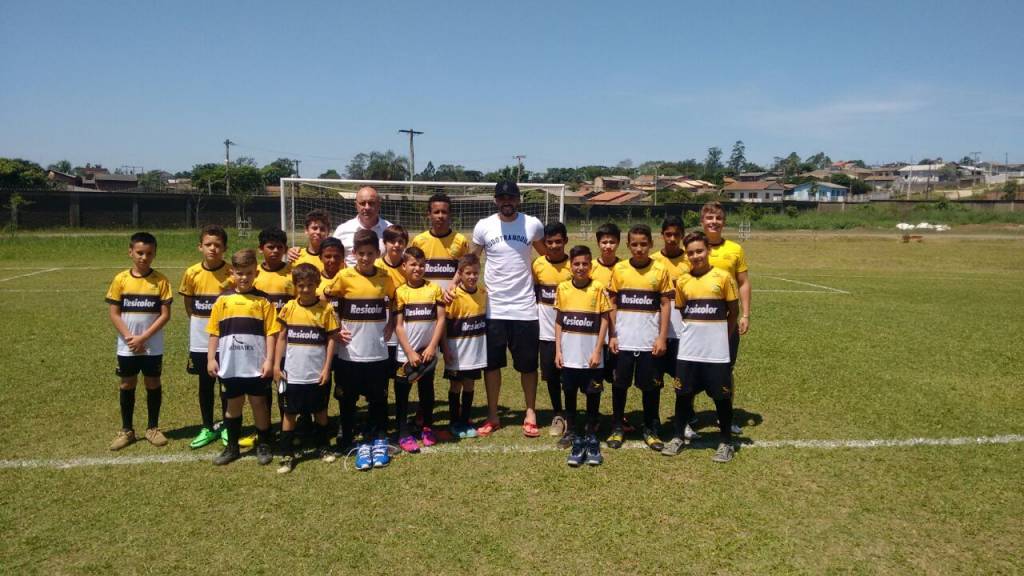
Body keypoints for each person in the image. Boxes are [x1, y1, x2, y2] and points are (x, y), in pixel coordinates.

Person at [458, 181, 547, 437]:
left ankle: (530, 412)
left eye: (511, 197)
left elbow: (545, 258)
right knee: (492, 365)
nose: (506, 201)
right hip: (493, 309)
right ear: (496, 200)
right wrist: (454, 284)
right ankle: (493, 415)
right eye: (502, 197)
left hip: (524, 308)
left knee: (528, 366)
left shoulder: (533, 224)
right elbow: (471, 260)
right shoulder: (484, 226)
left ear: (518, 199)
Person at [662, 231, 739, 463]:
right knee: (683, 394)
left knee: (721, 397)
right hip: (689, 351)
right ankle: (678, 436)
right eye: (691, 252)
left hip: (716, 352)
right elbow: (683, 311)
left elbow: (733, 312)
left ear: (708, 250)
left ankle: (726, 442)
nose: (696, 256)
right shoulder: (683, 281)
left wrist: (721, 339)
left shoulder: (723, 277)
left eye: (700, 251)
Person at [325, 229, 398, 471]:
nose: (365, 258)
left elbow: (395, 300)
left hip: (377, 351)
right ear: (354, 253)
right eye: (361, 253)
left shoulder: (385, 277)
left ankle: (378, 436)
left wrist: (391, 323)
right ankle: (347, 435)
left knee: (378, 398)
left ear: (378, 253)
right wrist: (335, 329)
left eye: (370, 253)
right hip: (349, 353)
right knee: (347, 399)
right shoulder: (344, 276)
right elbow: (326, 301)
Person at [206, 249, 281, 466]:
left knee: (259, 403)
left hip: (256, 364)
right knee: (233, 405)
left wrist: (269, 360)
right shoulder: (223, 300)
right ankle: (232, 447)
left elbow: (271, 333)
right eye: (240, 273)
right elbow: (214, 332)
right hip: (230, 364)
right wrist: (211, 358)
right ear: (232, 273)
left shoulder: (264, 301)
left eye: (248, 273)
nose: (244, 277)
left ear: (256, 272)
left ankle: (264, 444)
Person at [606, 224, 671, 452]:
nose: (639, 249)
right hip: (623, 341)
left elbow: (665, 304)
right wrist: (613, 334)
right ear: (628, 246)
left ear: (651, 244)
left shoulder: (660, 270)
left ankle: (651, 429)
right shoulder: (620, 269)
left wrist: (662, 337)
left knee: (651, 388)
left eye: (644, 244)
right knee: (619, 385)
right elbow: (612, 302)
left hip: (649, 342)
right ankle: (617, 426)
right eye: (634, 244)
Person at [106, 232, 173, 450]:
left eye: (149, 253)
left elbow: (165, 315)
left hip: (152, 345)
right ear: (131, 252)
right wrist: (131, 339)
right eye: (140, 253)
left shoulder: (161, 280)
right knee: (127, 383)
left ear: (154, 254)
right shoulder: (121, 279)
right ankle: (127, 430)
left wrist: (143, 338)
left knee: (153, 382)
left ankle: (153, 428)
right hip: (127, 345)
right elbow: (114, 313)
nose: (144, 257)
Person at [273, 263, 339, 473]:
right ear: (295, 286)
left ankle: (323, 447)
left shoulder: (326, 309)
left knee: (320, 411)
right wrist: (276, 365)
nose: (305, 289)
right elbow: (281, 337)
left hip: (316, 373)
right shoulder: (289, 308)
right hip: (293, 374)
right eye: (301, 285)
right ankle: (286, 454)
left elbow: (331, 339)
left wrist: (326, 368)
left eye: (310, 285)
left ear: (317, 284)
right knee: (289, 414)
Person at [554, 245, 611, 467]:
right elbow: (559, 321)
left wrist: (598, 350)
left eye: (585, 264)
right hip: (569, 354)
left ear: (590, 266)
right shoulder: (563, 288)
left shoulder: (598, 288)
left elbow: (605, 319)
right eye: (576, 264)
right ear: (570, 265)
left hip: (591, 357)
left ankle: (591, 432)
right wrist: (558, 350)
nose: (580, 267)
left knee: (592, 394)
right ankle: (571, 431)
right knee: (569, 393)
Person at [179, 225, 233, 449]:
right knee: (205, 383)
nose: (213, 248)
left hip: (227, 340)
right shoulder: (192, 273)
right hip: (200, 340)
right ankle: (207, 426)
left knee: (226, 384)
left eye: (217, 245)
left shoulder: (231, 273)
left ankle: (228, 426)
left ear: (225, 248)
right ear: (200, 247)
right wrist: (201, 325)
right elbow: (189, 305)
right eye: (208, 244)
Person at [701, 201, 751, 435]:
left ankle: (725, 416)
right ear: (702, 221)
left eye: (718, 218)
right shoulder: (692, 246)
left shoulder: (735, 249)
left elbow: (744, 283)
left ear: (724, 222)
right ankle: (688, 416)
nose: (714, 222)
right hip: (697, 319)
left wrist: (746, 314)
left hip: (726, 319)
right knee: (691, 367)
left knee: (725, 368)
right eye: (709, 218)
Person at [393, 246, 446, 452]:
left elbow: (440, 320)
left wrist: (432, 346)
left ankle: (427, 427)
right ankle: (402, 431)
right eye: (413, 264)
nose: (418, 268)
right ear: (404, 266)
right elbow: (398, 326)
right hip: (406, 354)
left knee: (427, 391)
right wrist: (409, 352)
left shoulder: (434, 289)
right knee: (402, 392)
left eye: (422, 265)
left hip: (427, 352)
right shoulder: (400, 292)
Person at [245, 226, 294, 448]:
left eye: (279, 247)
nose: (275, 251)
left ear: (285, 249)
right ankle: (264, 432)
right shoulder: (253, 274)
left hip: (286, 342)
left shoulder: (292, 273)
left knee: (285, 388)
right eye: (270, 247)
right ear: (260, 249)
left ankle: (288, 430)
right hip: (260, 342)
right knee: (262, 391)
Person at [650, 215, 695, 441]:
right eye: (668, 234)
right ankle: (653, 421)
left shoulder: (690, 261)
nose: (672, 239)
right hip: (657, 332)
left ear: (682, 236)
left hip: (684, 332)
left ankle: (683, 421)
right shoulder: (653, 261)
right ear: (662, 235)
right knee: (654, 382)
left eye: (676, 235)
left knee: (683, 381)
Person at [532, 222, 572, 438]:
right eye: (550, 242)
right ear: (544, 243)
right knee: (552, 377)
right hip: (546, 333)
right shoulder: (538, 265)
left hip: (573, 333)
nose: (555, 246)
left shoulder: (574, 264)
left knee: (571, 377)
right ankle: (558, 414)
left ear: (565, 241)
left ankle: (572, 414)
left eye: (558, 241)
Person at [441, 254, 487, 439]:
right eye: (468, 273)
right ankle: (454, 422)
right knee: (455, 386)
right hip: (457, 352)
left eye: (475, 273)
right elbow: (444, 325)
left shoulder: (483, 293)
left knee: (469, 384)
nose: (472, 277)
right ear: (459, 273)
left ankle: (465, 420)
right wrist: (445, 349)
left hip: (474, 352)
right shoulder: (453, 297)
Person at [590, 222, 627, 430]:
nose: (608, 246)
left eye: (612, 242)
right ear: (598, 243)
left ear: (618, 243)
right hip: (595, 330)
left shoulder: (625, 267)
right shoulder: (590, 267)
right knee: (595, 376)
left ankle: (618, 416)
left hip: (619, 330)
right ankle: (594, 417)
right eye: (604, 242)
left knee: (617, 376)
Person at [410, 192, 469, 292]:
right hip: (426, 297)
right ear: (429, 215)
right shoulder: (418, 241)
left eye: (444, 212)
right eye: (436, 212)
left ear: (450, 214)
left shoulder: (460, 240)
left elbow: (466, 270)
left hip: (451, 296)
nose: (440, 216)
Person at [377, 224, 408, 389]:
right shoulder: (376, 266)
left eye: (400, 242)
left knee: (400, 370)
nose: (396, 245)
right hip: (380, 323)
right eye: (392, 241)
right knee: (381, 371)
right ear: (384, 243)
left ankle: (400, 405)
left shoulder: (408, 268)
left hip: (403, 323)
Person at [332, 186, 393, 268]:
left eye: (371, 203)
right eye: (362, 203)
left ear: (378, 205)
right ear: (356, 205)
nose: (367, 207)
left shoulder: (390, 230)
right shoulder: (342, 230)